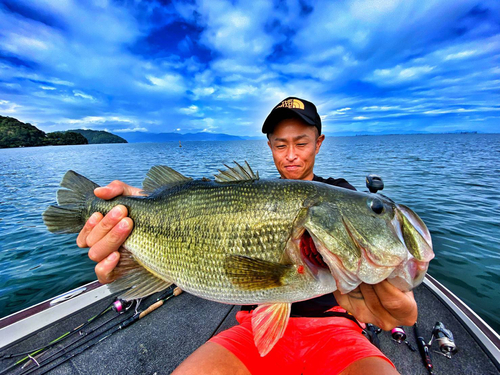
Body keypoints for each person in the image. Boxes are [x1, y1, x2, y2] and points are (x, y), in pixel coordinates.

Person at [77, 97, 417, 375]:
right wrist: (133, 214)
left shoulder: (340, 195)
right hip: (252, 326)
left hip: (336, 328)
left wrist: (398, 292)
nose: (291, 155)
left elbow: (399, 301)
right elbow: (198, 221)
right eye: (281, 144)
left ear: (319, 142)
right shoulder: (249, 194)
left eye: (301, 142)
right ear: (269, 145)